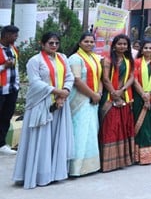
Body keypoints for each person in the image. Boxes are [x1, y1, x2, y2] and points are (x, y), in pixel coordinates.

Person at [12, 32, 74, 189]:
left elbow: (69, 76)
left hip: (60, 103)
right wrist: (56, 91)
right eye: (50, 43)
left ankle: (55, 173)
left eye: (56, 43)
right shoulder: (35, 60)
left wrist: (64, 92)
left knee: (56, 138)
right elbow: (35, 82)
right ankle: (38, 175)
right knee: (41, 140)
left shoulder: (63, 58)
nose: (54, 46)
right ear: (42, 44)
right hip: (42, 103)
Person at [67, 32, 102, 175]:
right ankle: (76, 168)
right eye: (86, 41)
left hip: (93, 99)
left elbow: (100, 77)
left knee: (91, 132)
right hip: (80, 99)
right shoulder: (75, 58)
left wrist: (99, 93)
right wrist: (92, 94)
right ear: (80, 43)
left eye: (92, 42)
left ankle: (90, 166)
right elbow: (76, 80)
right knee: (80, 132)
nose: (89, 44)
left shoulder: (94, 57)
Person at [100, 34, 136, 172]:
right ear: (114, 45)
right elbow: (105, 78)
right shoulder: (108, 60)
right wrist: (114, 93)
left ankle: (121, 160)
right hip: (109, 97)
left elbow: (132, 77)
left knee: (122, 127)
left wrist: (122, 90)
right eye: (119, 44)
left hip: (124, 96)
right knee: (110, 127)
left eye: (125, 44)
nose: (122, 46)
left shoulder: (128, 61)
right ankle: (108, 163)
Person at [132, 40, 151, 164]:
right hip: (139, 97)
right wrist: (144, 95)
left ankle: (150, 154)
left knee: (149, 124)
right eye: (146, 48)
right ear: (142, 50)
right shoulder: (137, 62)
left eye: (150, 48)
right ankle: (139, 155)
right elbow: (134, 79)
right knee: (141, 124)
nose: (148, 50)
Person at [1, 24, 20, 155]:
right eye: (14, 35)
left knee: (6, 116)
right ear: (6, 35)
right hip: (1, 89)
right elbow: (6, 67)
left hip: (12, 88)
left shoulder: (13, 48)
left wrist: (18, 84)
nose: (16, 37)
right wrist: (3, 66)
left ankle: (1, 143)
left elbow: (16, 67)